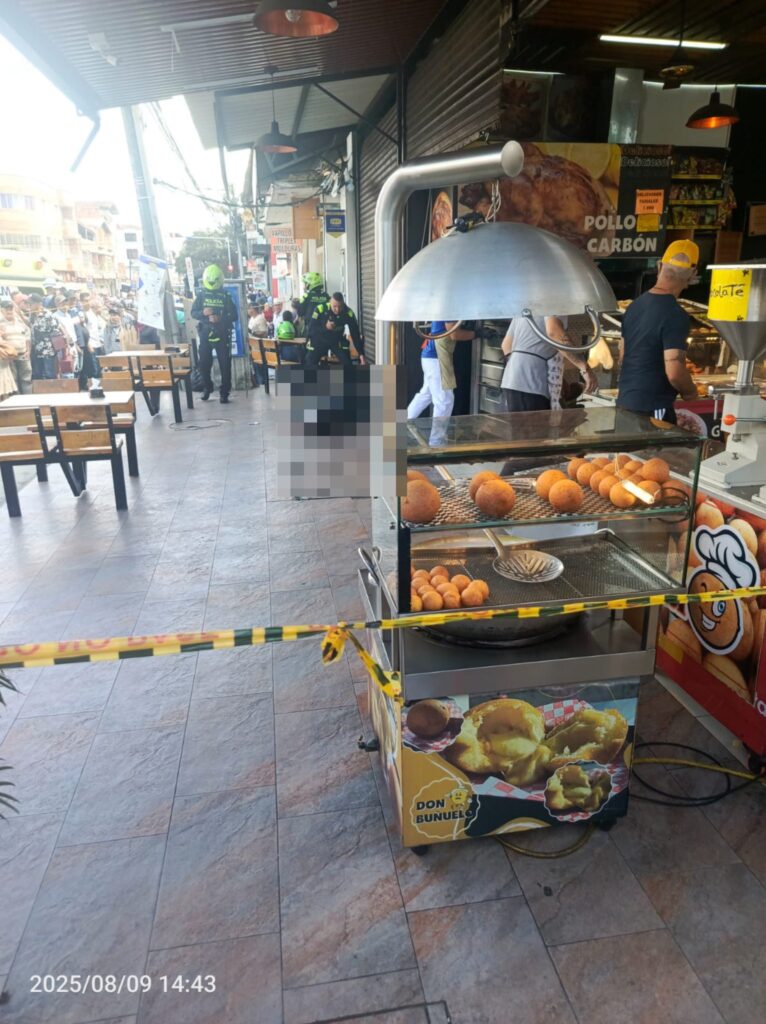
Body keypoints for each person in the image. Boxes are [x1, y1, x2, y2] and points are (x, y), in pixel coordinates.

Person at [616, 240, 699, 424]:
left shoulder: (634, 306)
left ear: (660, 266)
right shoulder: (675, 314)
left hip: (625, 403)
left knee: (629, 444)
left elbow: (622, 355)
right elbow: (674, 371)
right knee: (656, 444)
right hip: (653, 406)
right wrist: (691, 393)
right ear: (692, 274)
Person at [501, 315, 597, 412]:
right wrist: (584, 368)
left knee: (521, 422)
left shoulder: (524, 307)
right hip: (533, 383)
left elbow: (506, 345)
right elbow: (554, 332)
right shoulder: (556, 304)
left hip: (512, 380)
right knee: (535, 422)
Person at [407, 320, 475, 419]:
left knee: (426, 394)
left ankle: (402, 423)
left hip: (430, 356)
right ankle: (438, 430)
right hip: (437, 358)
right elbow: (454, 334)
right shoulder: (450, 309)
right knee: (444, 401)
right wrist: (476, 334)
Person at [191, 263, 237, 403]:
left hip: (222, 334)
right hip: (205, 334)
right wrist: (203, 313)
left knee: (225, 365)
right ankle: (207, 388)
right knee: (203, 364)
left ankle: (224, 392)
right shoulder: (201, 295)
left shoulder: (225, 295)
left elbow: (234, 315)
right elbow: (193, 312)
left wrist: (220, 318)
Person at [305, 292, 362, 368]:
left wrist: (361, 354)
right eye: (334, 306)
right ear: (330, 302)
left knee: (347, 363)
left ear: (343, 303)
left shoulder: (348, 312)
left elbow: (355, 334)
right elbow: (311, 330)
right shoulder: (320, 309)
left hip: (336, 341)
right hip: (320, 340)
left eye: (340, 306)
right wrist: (325, 327)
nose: (337, 310)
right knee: (309, 363)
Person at [0, 299, 32, 395]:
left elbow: (27, 337)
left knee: (26, 378)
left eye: (11, 308)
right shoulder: (1, 324)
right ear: (2, 310)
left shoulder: (20, 322)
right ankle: (16, 399)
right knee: (14, 379)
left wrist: (28, 351)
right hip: (9, 356)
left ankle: (28, 398)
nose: (9, 311)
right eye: (7, 309)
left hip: (23, 354)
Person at [28, 293, 60, 380]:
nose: (29, 305)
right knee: (38, 375)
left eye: (31, 303)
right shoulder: (31, 315)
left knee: (49, 374)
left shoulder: (48, 314)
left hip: (48, 350)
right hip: (36, 350)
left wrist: (57, 348)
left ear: (38, 303)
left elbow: (56, 330)